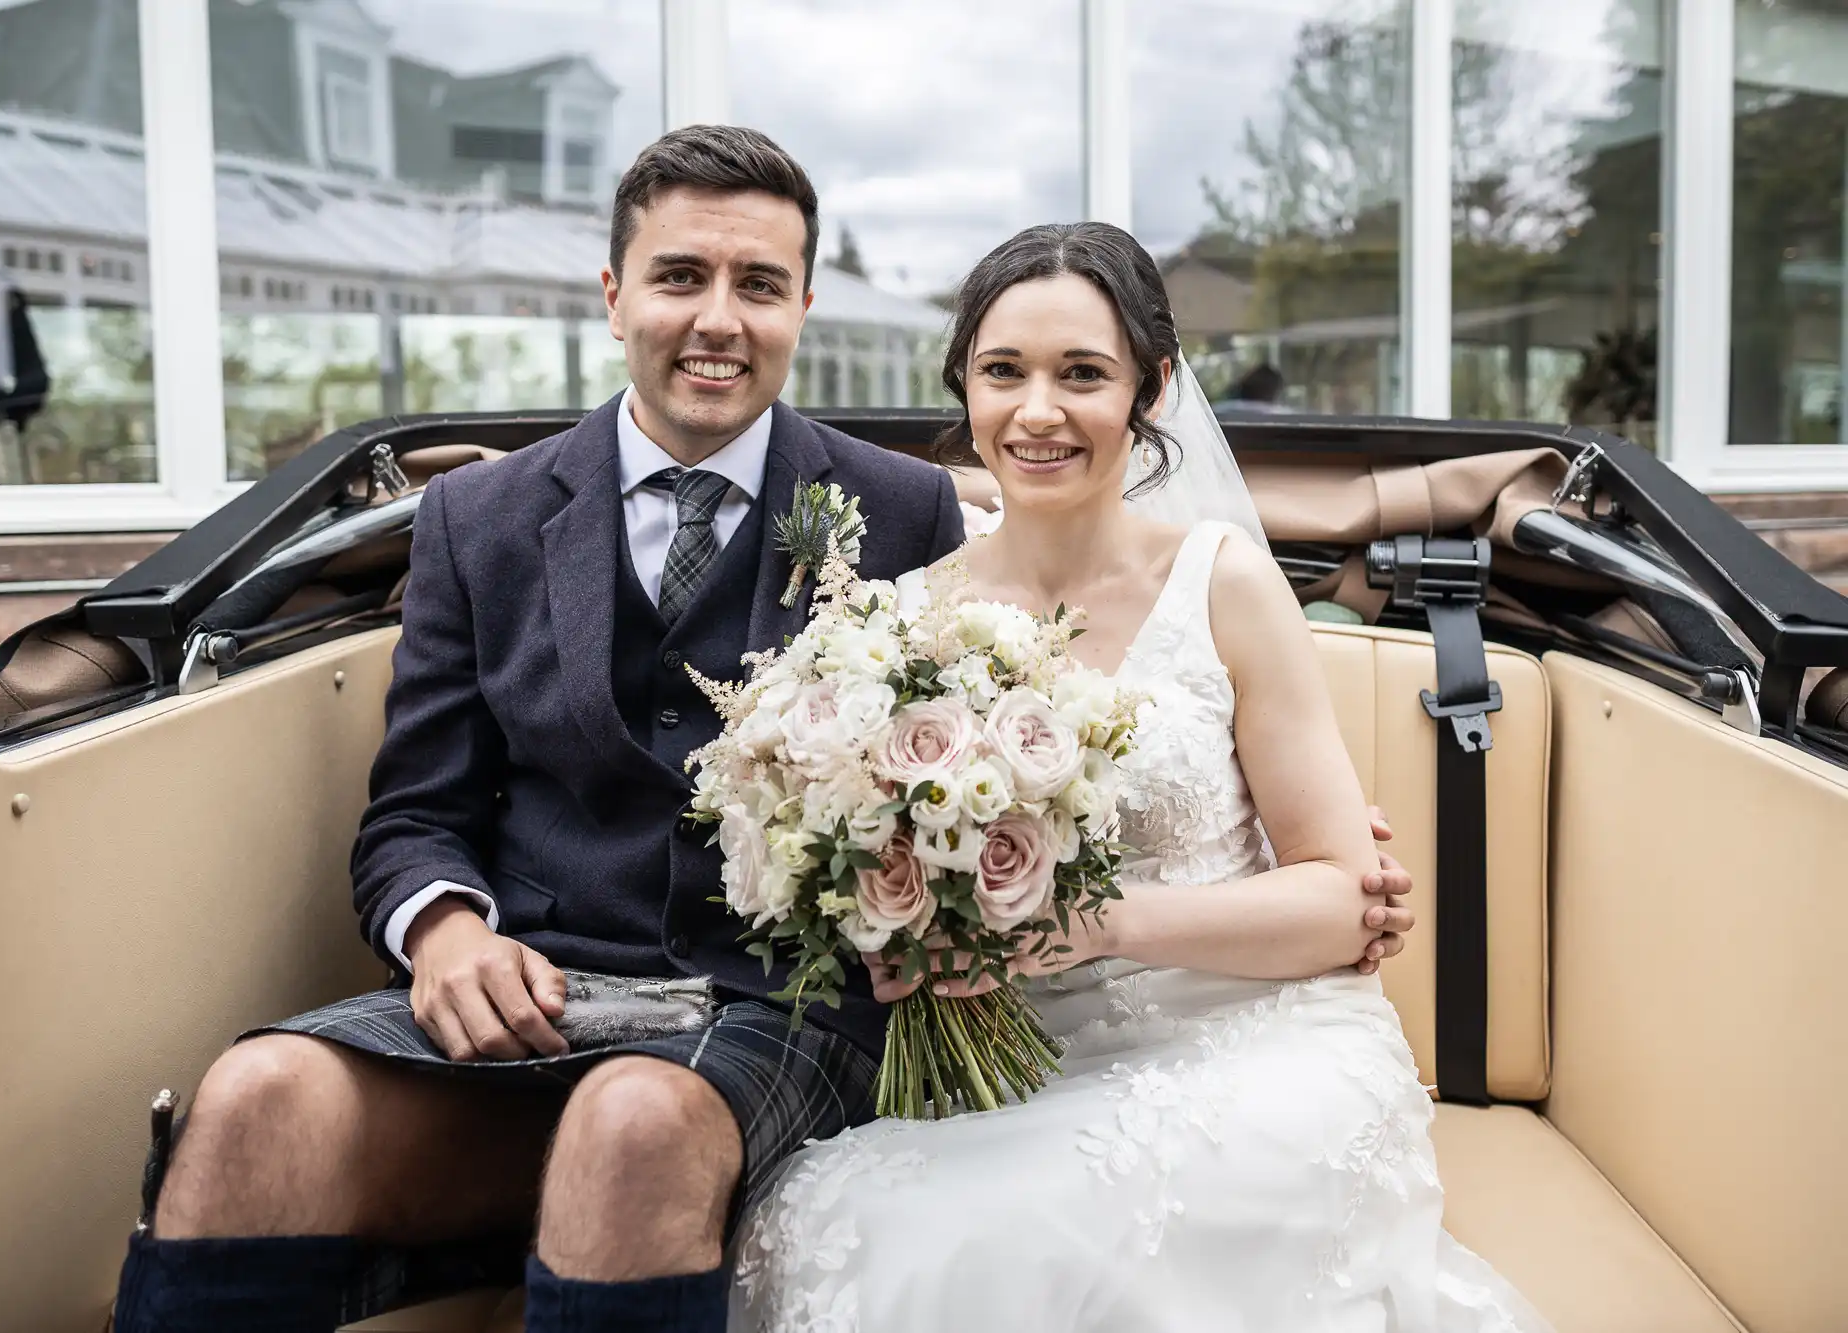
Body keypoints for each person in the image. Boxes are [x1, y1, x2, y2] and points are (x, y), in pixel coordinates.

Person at [110, 129, 1416, 1333]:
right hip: (543, 988)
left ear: (803, 304)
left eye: (760, 282)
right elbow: (414, 815)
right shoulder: (480, 520)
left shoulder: (900, 515)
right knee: (247, 1103)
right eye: (680, 275)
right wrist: (443, 926)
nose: (718, 320)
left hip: (775, 1009)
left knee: (632, 1124)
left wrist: (1286, 867)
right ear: (614, 292)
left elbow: (1067, 608)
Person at [728, 223, 1548, 1332]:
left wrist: (1101, 921)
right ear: (963, 385)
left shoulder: (1224, 583)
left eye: (1083, 375)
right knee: (842, 1219)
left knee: (991, 1241)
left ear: (1150, 389)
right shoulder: (901, 622)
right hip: (1022, 1069)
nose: (1036, 412)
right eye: (1001, 371)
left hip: (1260, 1045)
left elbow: (1341, 899)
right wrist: (903, 936)